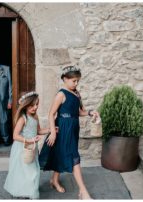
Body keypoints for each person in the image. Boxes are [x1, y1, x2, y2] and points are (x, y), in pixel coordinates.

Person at [40, 65, 99, 199]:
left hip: (73, 127)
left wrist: (90, 112)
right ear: (65, 79)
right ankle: (83, 191)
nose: (76, 83)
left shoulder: (77, 93)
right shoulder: (61, 94)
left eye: (78, 80)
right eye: (74, 81)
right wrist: (53, 133)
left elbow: (78, 111)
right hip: (63, 127)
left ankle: (54, 180)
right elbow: (51, 114)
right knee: (74, 157)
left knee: (61, 153)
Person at [4, 91, 51, 199]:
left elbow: (38, 130)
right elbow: (15, 136)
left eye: (36, 104)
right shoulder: (23, 119)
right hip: (22, 148)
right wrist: (29, 140)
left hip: (32, 148)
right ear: (25, 106)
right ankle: (24, 190)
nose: (35, 107)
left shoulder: (35, 117)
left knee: (33, 169)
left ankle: (29, 190)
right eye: (31, 105)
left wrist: (50, 129)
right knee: (24, 171)